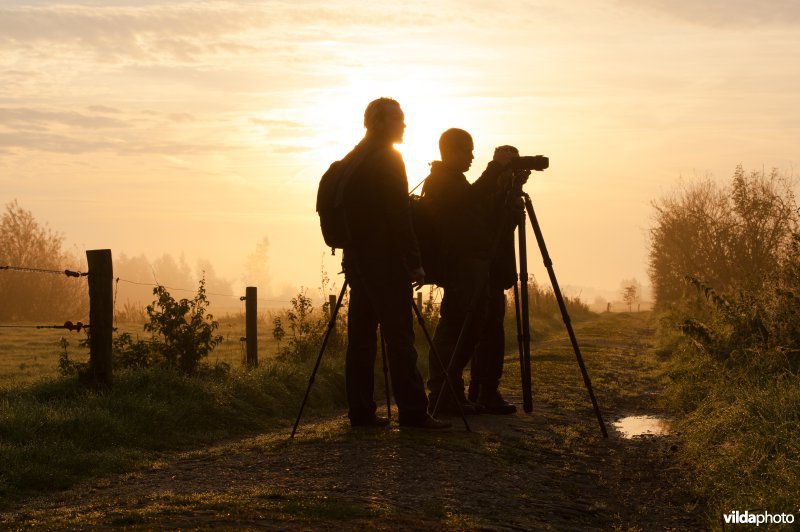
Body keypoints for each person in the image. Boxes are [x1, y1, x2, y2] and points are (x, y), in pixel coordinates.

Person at [341, 97, 450, 430]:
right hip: (385, 264)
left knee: (360, 339)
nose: (404, 125)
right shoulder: (388, 158)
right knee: (400, 338)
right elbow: (399, 215)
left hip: (356, 262)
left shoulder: (352, 158)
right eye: (398, 119)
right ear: (380, 122)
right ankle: (414, 413)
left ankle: (361, 413)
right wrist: (415, 262)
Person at [420, 129, 513, 415]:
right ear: (450, 151)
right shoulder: (441, 181)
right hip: (459, 267)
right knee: (456, 328)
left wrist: (502, 192)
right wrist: (495, 168)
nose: (473, 156)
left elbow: (477, 213)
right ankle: (443, 392)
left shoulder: (453, 179)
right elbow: (469, 203)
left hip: (469, 265)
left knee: (467, 329)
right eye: (467, 150)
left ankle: (451, 392)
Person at [468, 146, 528, 415]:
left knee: (488, 331)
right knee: (490, 332)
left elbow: (502, 230)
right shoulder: (483, 193)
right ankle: (486, 391)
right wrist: (508, 199)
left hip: (491, 271)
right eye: (509, 164)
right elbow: (491, 231)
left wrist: (514, 192)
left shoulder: (499, 193)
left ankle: (479, 390)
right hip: (485, 271)